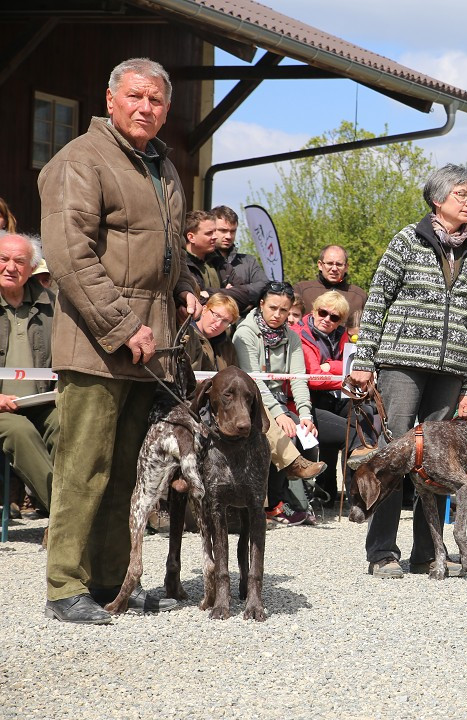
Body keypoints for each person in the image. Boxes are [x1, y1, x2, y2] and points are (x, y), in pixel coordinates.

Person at [39, 57, 201, 624]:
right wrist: (121, 326)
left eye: (157, 100)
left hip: (148, 346)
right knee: (85, 468)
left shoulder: (163, 165)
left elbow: (170, 249)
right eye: (136, 96)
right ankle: (65, 585)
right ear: (110, 100)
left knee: (129, 471)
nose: (146, 108)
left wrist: (184, 287)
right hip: (96, 343)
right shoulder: (79, 160)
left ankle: (112, 580)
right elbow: (69, 256)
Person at [350, 163, 467, 579]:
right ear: (437, 199)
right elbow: (376, 301)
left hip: (451, 373)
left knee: (440, 465)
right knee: (392, 457)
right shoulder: (406, 242)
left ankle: (428, 552)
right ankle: (382, 553)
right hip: (401, 366)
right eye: (462, 194)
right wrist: (363, 361)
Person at [183, 293, 325, 512]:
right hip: (195, 402)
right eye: (215, 315)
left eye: (225, 321)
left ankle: (267, 496)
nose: (218, 323)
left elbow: (239, 380)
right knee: (262, 415)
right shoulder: (189, 336)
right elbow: (188, 379)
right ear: (205, 309)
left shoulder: (225, 345)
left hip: (226, 404)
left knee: (260, 414)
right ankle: (289, 469)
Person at [233, 281, 318, 526]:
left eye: (284, 310)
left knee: (308, 435)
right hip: (250, 400)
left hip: (280, 402)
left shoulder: (292, 337)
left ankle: (300, 499)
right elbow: (255, 381)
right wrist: (279, 413)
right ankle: (275, 505)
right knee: (286, 435)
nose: (277, 315)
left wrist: (305, 415)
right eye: (272, 308)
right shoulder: (244, 334)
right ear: (261, 305)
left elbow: (299, 379)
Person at [0, 234, 57, 521]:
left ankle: (75, 509)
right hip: (0, 408)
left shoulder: (53, 305)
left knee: (67, 425)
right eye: (3, 259)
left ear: (31, 267)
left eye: (19, 261)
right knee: (20, 432)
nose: (11, 267)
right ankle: (65, 517)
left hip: (40, 401)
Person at [293, 290, 369, 501]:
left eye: (334, 317)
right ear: (314, 310)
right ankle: (350, 492)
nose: (326, 319)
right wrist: (344, 377)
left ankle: (343, 489)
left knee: (364, 415)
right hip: (305, 401)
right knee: (348, 432)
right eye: (323, 312)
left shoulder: (342, 335)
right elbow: (315, 379)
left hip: (333, 396)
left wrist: (330, 366)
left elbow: (349, 364)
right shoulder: (300, 334)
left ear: (340, 321)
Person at [211, 205, 268, 315]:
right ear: (212, 229)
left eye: (233, 231)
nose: (228, 236)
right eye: (223, 230)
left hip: (241, 325)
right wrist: (240, 294)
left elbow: (264, 287)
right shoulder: (204, 261)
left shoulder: (248, 261)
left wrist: (233, 292)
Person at [294, 244, 369, 318]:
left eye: (339, 264)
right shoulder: (302, 290)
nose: (334, 269)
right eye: (329, 263)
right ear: (320, 265)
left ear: (346, 267)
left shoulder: (359, 297)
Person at [183, 209, 222, 300]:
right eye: (209, 233)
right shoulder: (181, 265)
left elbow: (243, 292)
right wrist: (225, 292)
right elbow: (195, 299)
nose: (215, 237)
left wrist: (209, 293)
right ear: (191, 237)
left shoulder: (219, 261)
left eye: (215, 232)